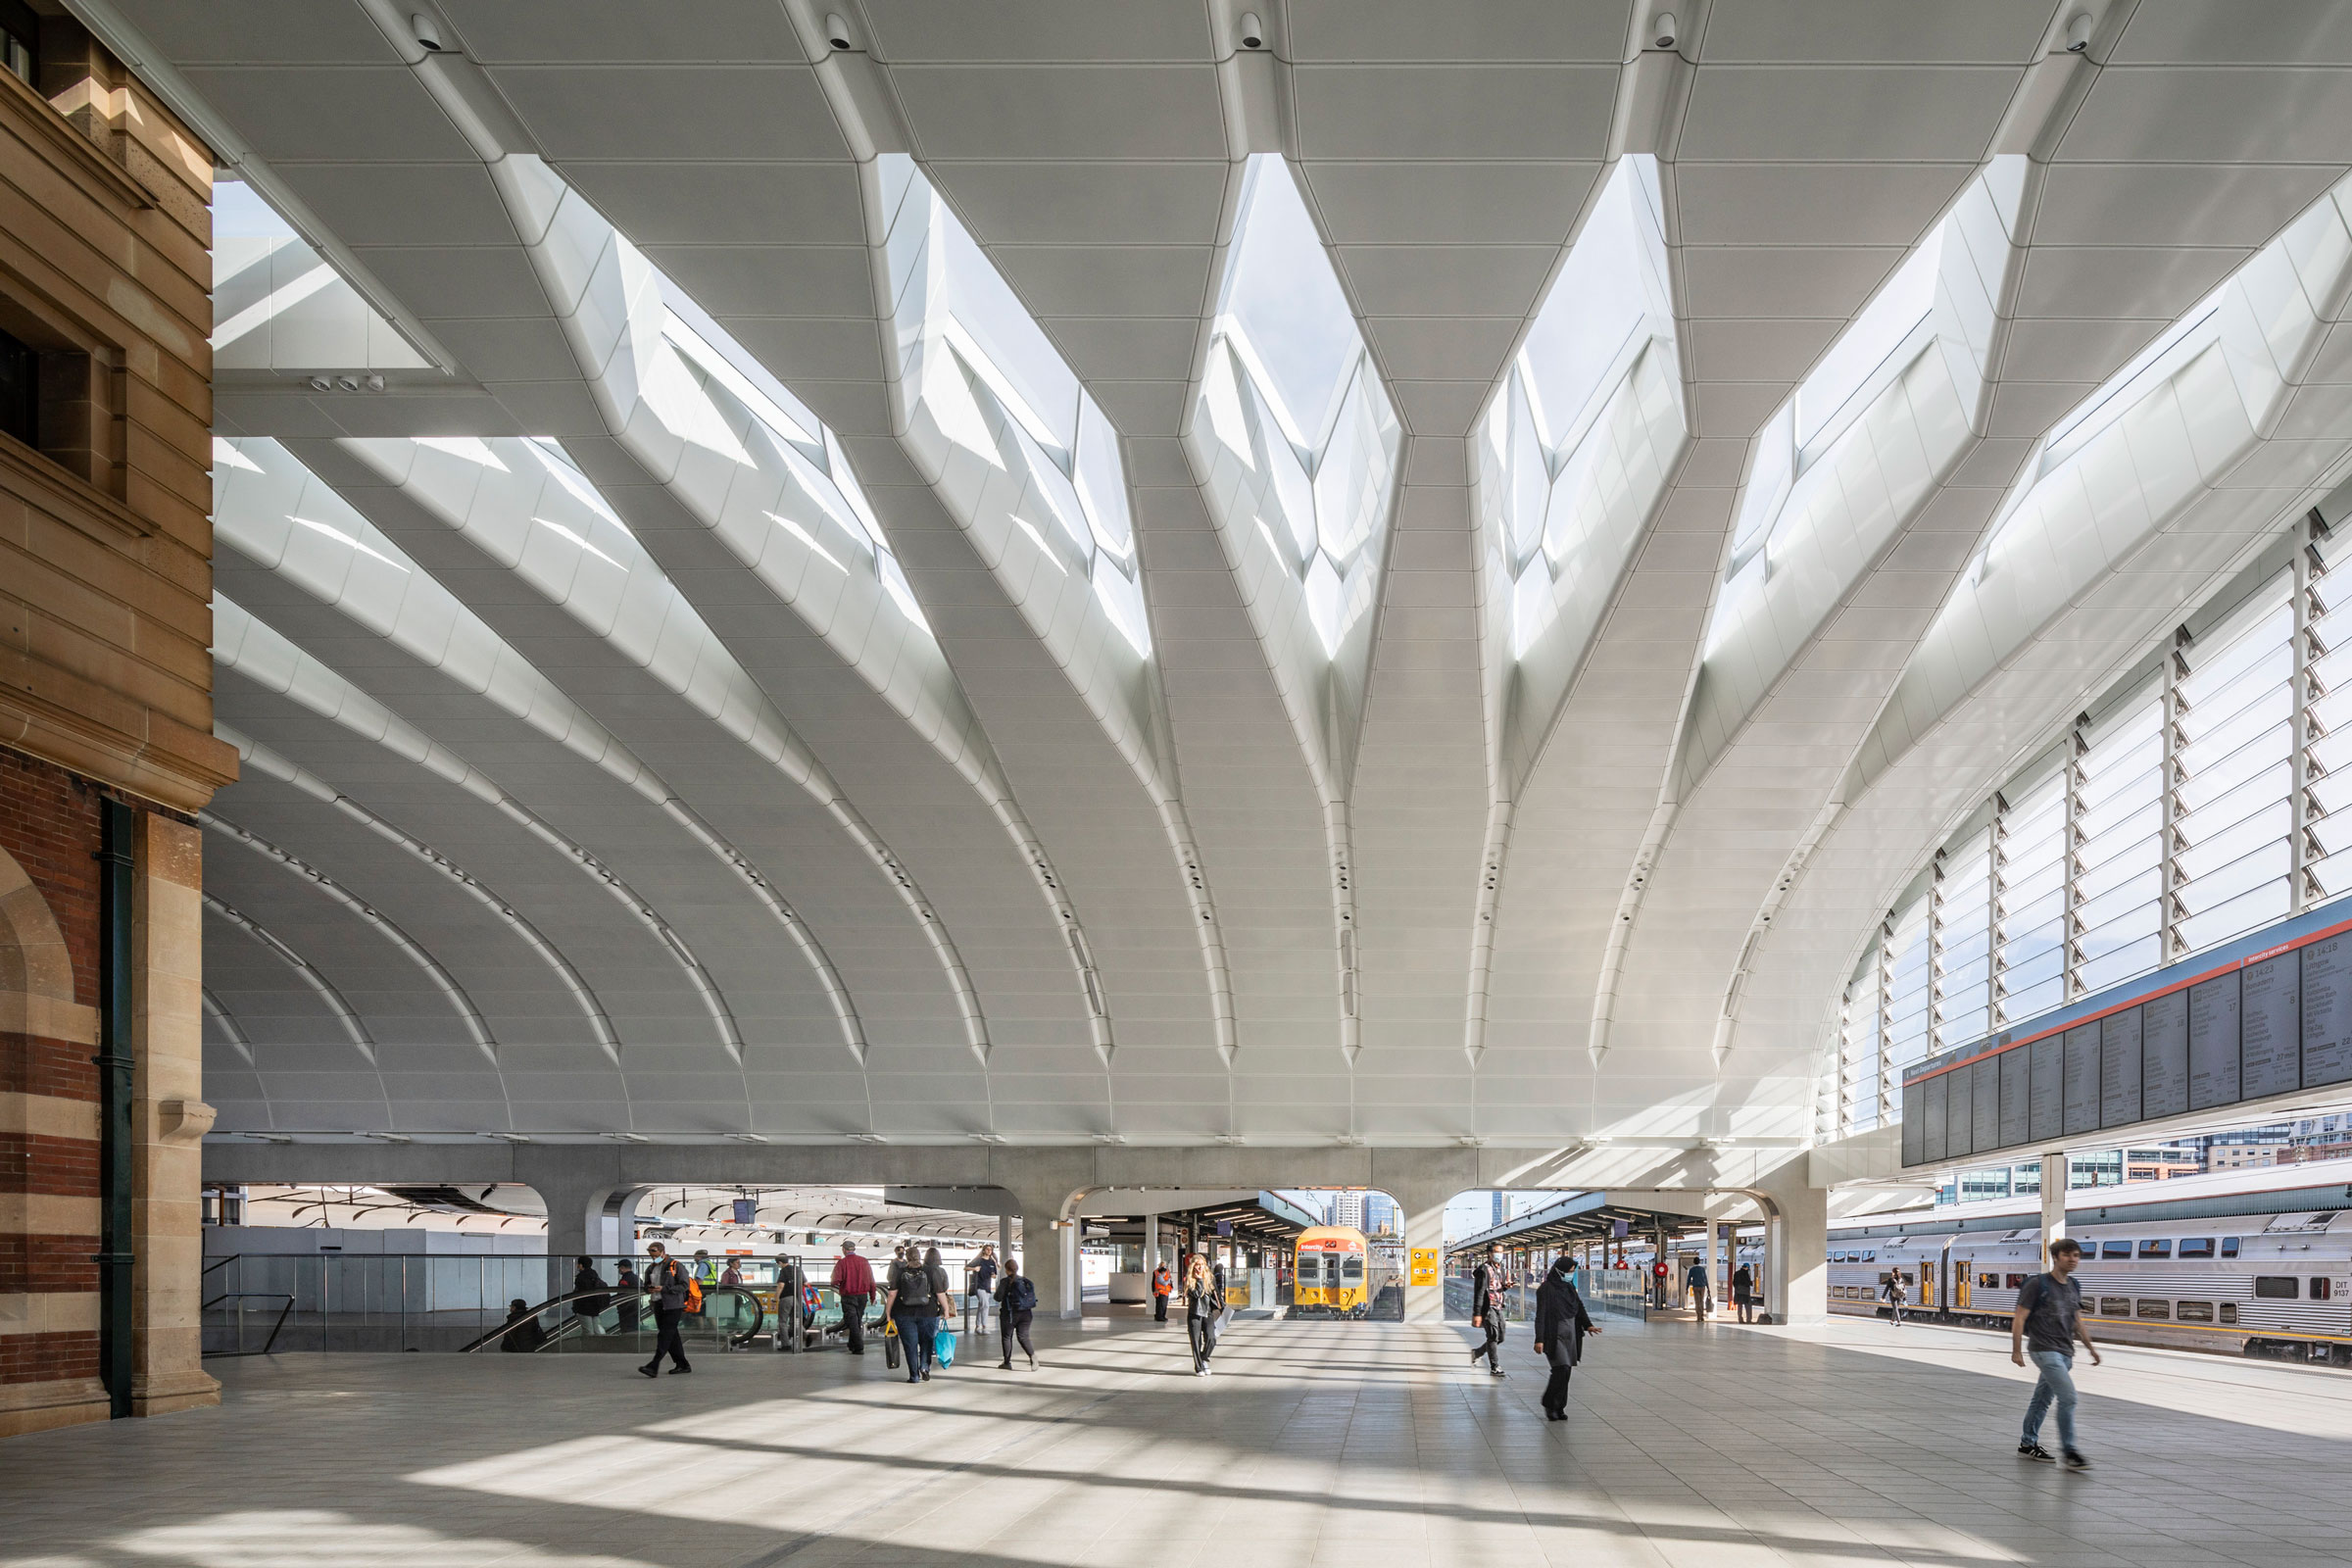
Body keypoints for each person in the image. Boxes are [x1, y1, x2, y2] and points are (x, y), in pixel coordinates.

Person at [2013, 1237, 2099, 1469]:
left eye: (2076, 1255)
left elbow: (2077, 1320)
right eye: (2067, 1255)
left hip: (2065, 1352)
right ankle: (2070, 1451)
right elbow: (2019, 1317)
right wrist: (2017, 1350)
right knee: (2069, 1398)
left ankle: (2027, 1444)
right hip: (2043, 1349)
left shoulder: (2074, 1285)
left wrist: (2091, 1348)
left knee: (2042, 1399)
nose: (2073, 1260)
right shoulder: (2037, 1284)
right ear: (2055, 1258)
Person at [1531, 1256, 1598, 1421]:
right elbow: (1541, 1315)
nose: (1571, 1274)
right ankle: (1549, 1404)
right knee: (1561, 1369)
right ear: (1559, 1270)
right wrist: (1539, 1339)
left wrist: (1588, 1325)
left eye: (1573, 1272)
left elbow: (1579, 1306)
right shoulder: (1545, 1289)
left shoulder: (1569, 1287)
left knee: (1566, 1371)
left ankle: (1560, 1407)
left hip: (1571, 1333)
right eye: (1569, 1272)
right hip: (1554, 1334)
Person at [887, 1242, 951, 1383]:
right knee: (926, 1342)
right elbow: (940, 1293)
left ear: (907, 1258)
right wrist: (946, 1309)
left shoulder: (899, 1272)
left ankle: (914, 1376)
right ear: (920, 1257)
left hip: (904, 1313)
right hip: (928, 1312)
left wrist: (888, 1312)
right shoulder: (931, 1271)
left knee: (910, 1345)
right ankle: (924, 1368)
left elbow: (892, 1294)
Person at [638, 1242, 693, 1378]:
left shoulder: (675, 1265)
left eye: (655, 1253)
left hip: (673, 1305)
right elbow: (646, 1285)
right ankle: (683, 1364)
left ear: (662, 1251)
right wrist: (649, 1289)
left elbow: (684, 1285)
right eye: (650, 1254)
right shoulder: (651, 1268)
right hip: (658, 1304)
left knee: (665, 1335)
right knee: (672, 1335)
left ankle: (654, 1365)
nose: (653, 1256)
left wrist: (665, 1289)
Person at [1469, 1247, 1508, 1378]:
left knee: (1501, 1337)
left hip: (1498, 1306)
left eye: (1501, 1251)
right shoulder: (1483, 1270)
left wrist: (1505, 1287)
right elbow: (1479, 1292)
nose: (1499, 1254)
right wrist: (1477, 1313)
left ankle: (1477, 1353)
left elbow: (1496, 1287)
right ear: (1489, 1253)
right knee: (1493, 1335)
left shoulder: (1499, 1268)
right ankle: (1494, 1366)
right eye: (1496, 1251)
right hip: (1488, 1307)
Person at [996, 1254, 1039, 1369]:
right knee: (1023, 1336)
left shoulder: (1005, 1282)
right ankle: (1032, 1356)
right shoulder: (1025, 1281)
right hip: (1026, 1313)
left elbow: (997, 1297)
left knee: (1006, 1337)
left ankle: (1007, 1362)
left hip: (1009, 1314)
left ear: (1006, 1270)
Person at [1184, 1251, 1221, 1377]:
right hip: (1195, 1313)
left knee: (1211, 1338)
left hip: (1208, 1312)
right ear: (1193, 1266)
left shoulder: (1210, 1278)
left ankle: (1204, 1358)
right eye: (1198, 1265)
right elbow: (1196, 1294)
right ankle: (1199, 1367)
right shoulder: (1189, 1280)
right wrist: (1199, 1280)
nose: (1200, 1267)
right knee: (1196, 1341)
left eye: (1203, 1264)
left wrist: (1223, 1309)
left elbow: (1217, 1293)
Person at [570, 1256, 609, 1334]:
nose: (577, 1266)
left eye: (578, 1264)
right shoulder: (594, 1275)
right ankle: (598, 1345)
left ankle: (587, 1345)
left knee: (588, 1331)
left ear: (581, 1265)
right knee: (596, 1330)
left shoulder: (581, 1277)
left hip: (584, 1308)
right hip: (595, 1308)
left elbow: (580, 1294)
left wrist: (575, 1307)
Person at [970, 1245, 999, 1335]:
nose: (989, 1251)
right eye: (987, 1249)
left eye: (991, 1249)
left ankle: (977, 1326)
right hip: (979, 1286)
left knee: (981, 1306)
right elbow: (966, 1267)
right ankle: (984, 1326)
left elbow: (994, 1275)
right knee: (986, 1305)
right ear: (983, 1250)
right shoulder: (978, 1260)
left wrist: (993, 1275)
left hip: (987, 1287)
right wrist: (974, 1268)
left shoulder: (992, 1262)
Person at [614, 1261, 642, 1335]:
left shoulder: (625, 1279)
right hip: (636, 1308)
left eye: (619, 1267)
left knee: (626, 1331)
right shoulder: (637, 1278)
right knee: (634, 1331)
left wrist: (620, 1307)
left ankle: (628, 1345)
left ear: (623, 1268)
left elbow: (622, 1294)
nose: (619, 1269)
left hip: (626, 1310)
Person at [1731, 1260, 1756, 1325]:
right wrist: (1751, 1282)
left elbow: (1734, 1283)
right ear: (1747, 1268)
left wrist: (1737, 1289)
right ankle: (1749, 1320)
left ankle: (1740, 1319)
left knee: (1740, 1306)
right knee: (1748, 1306)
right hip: (1745, 1293)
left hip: (1738, 1292)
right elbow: (1747, 1282)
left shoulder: (1736, 1273)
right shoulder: (1745, 1274)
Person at [1152, 1259, 1174, 1323]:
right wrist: (1153, 1290)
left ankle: (1161, 1316)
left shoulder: (1167, 1271)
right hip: (1160, 1291)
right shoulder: (1156, 1272)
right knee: (1160, 1305)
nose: (1163, 1266)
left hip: (1166, 1291)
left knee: (1163, 1305)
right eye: (1162, 1265)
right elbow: (1153, 1282)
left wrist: (1171, 1286)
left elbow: (1169, 1279)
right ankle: (1159, 1317)